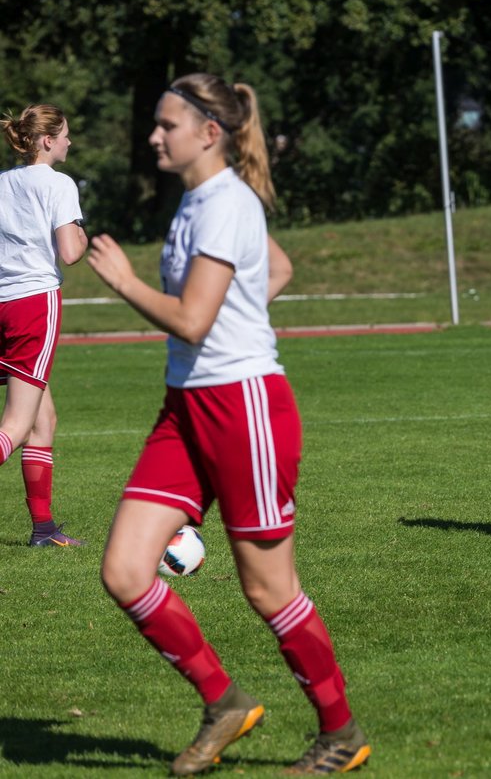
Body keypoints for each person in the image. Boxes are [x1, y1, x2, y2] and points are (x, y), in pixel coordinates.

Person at [88, 74, 370, 775]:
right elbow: (274, 267)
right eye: (156, 124)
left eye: (167, 125)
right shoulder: (199, 202)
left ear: (208, 133)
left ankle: (341, 733)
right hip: (185, 406)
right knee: (125, 570)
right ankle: (224, 702)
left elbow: (192, 318)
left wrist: (123, 281)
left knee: (267, 588)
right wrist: (243, 306)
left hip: (243, 407)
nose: (154, 135)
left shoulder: (225, 204)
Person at [0, 104, 88, 547]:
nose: (70, 141)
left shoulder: (2, 182)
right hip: (31, 304)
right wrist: (83, 233)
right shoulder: (58, 183)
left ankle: (44, 528)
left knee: (42, 418)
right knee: (16, 423)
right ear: (47, 140)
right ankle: (43, 529)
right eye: (66, 135)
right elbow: (70, 252)